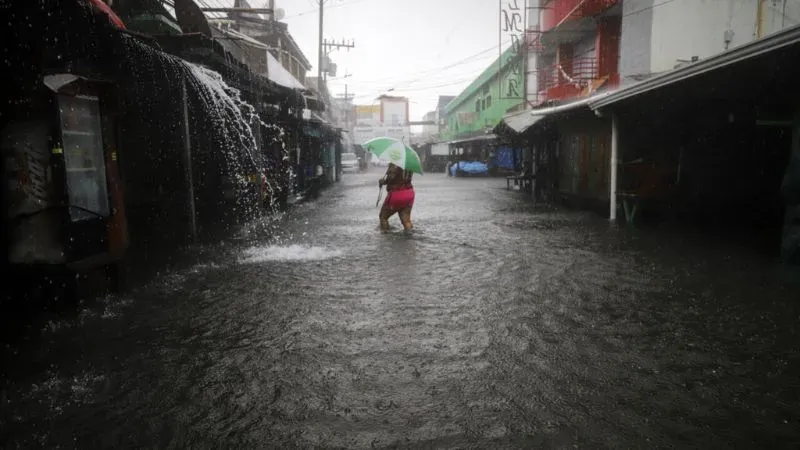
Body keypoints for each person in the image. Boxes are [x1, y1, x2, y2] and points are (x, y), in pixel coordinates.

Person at [378, 162, 414, 231]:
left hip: (396, 194)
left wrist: (383, 181)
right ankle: (409, 238)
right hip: (409, 194)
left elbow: (391, 179)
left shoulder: (395, 164)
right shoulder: (410, 164)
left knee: (383, 217)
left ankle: (385, 237)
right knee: (406, 221)